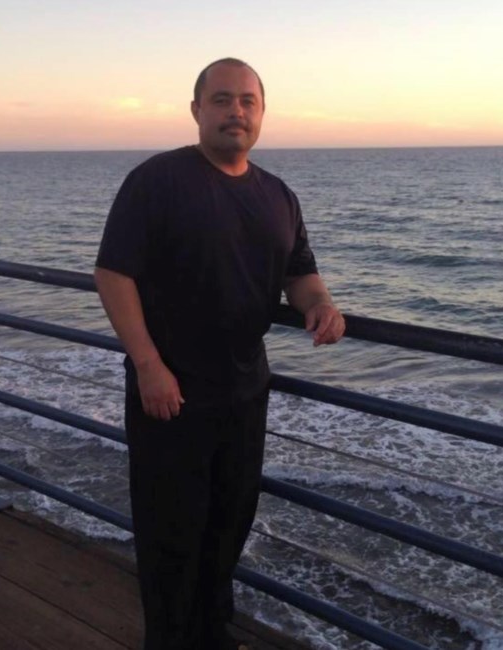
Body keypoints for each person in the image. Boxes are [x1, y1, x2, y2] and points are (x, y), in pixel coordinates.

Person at [94, 57, 345, 650]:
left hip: (245, 391)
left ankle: (211, 636)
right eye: (222, 99)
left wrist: (320, 305)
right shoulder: (157, 180)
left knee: (229, 526)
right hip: (171, 393)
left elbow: (300, 273)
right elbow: (112, 274)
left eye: (247, 101)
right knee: (171, 538)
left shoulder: (278, 195)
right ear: (197, 110)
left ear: (261, 113)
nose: (236, 111)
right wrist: (148, 366)